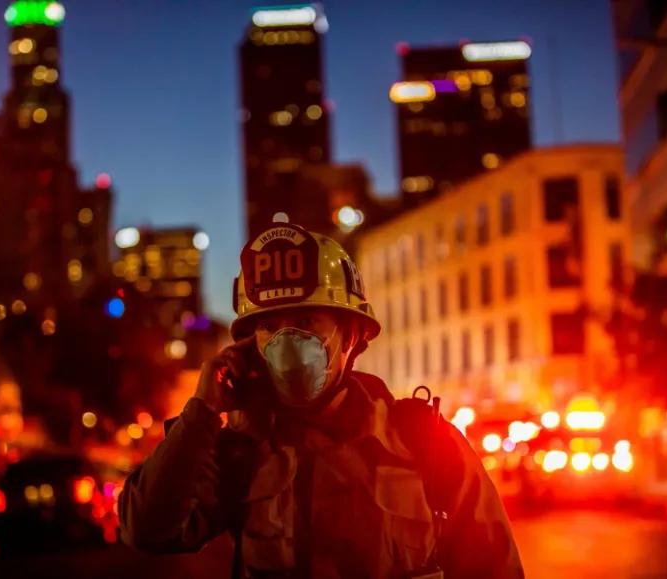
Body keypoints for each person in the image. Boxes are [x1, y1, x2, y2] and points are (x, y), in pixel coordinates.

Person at [120, 222, 524, 578]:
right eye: (269, 326)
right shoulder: (240, 452)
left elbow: (494, 568)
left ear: (351, 336)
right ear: (249, 345)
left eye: (306, 321)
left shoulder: (426, 444)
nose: (287, 341)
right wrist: (203, 411)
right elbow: (148, 529)